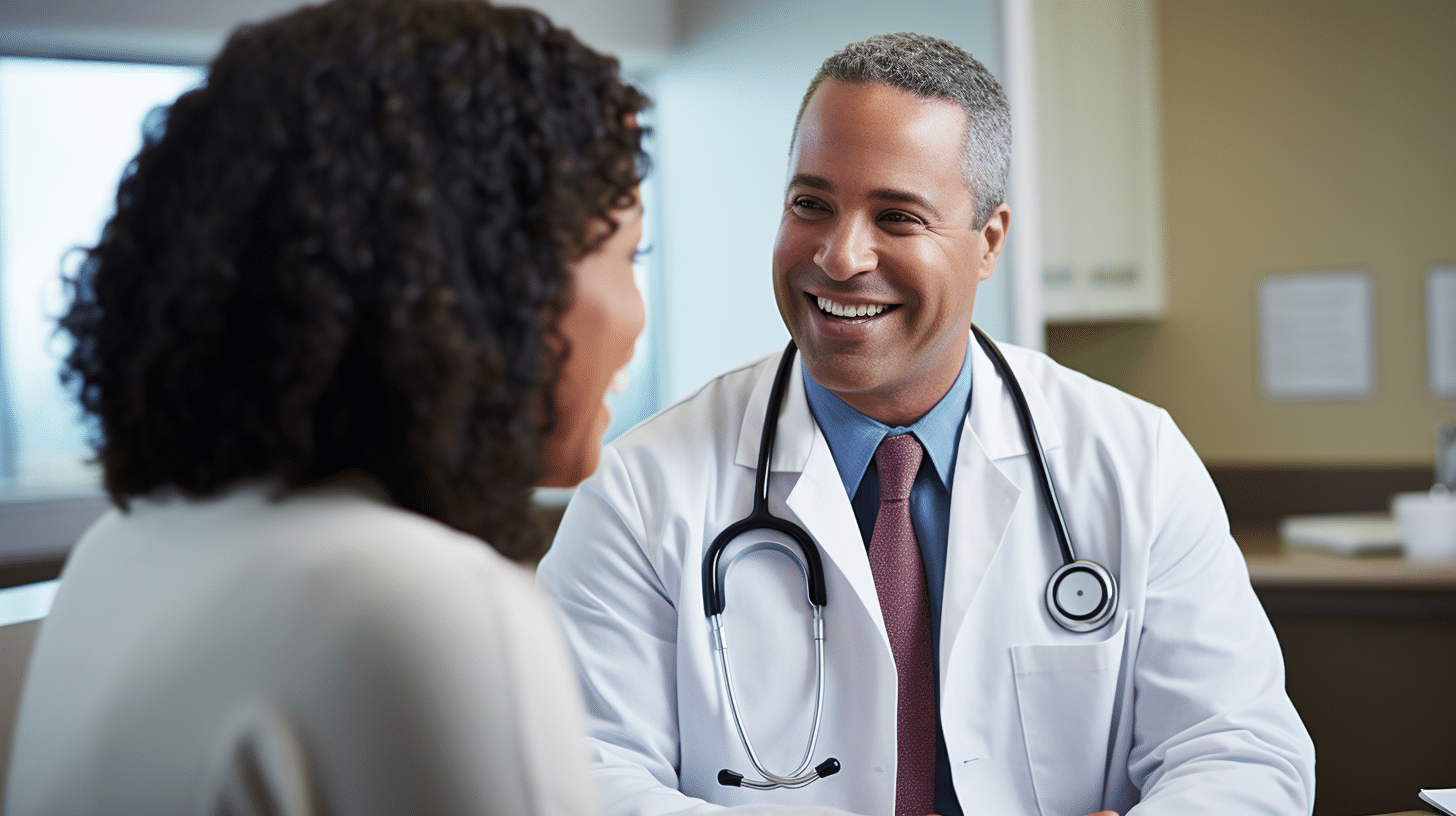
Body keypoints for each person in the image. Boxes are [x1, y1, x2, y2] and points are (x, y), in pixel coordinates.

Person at [537, 32, 1316, 816]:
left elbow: (1240, 752)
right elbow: (579, 777)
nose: (840, 258)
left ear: (989, 242)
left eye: (898, 217)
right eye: (812, 204)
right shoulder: (641, 491)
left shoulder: (1136, 462)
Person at [4, 1, 648, 814]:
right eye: (627, 254)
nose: (637, 314)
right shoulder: (427, 604)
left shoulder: (119, 551)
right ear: (494, 277)